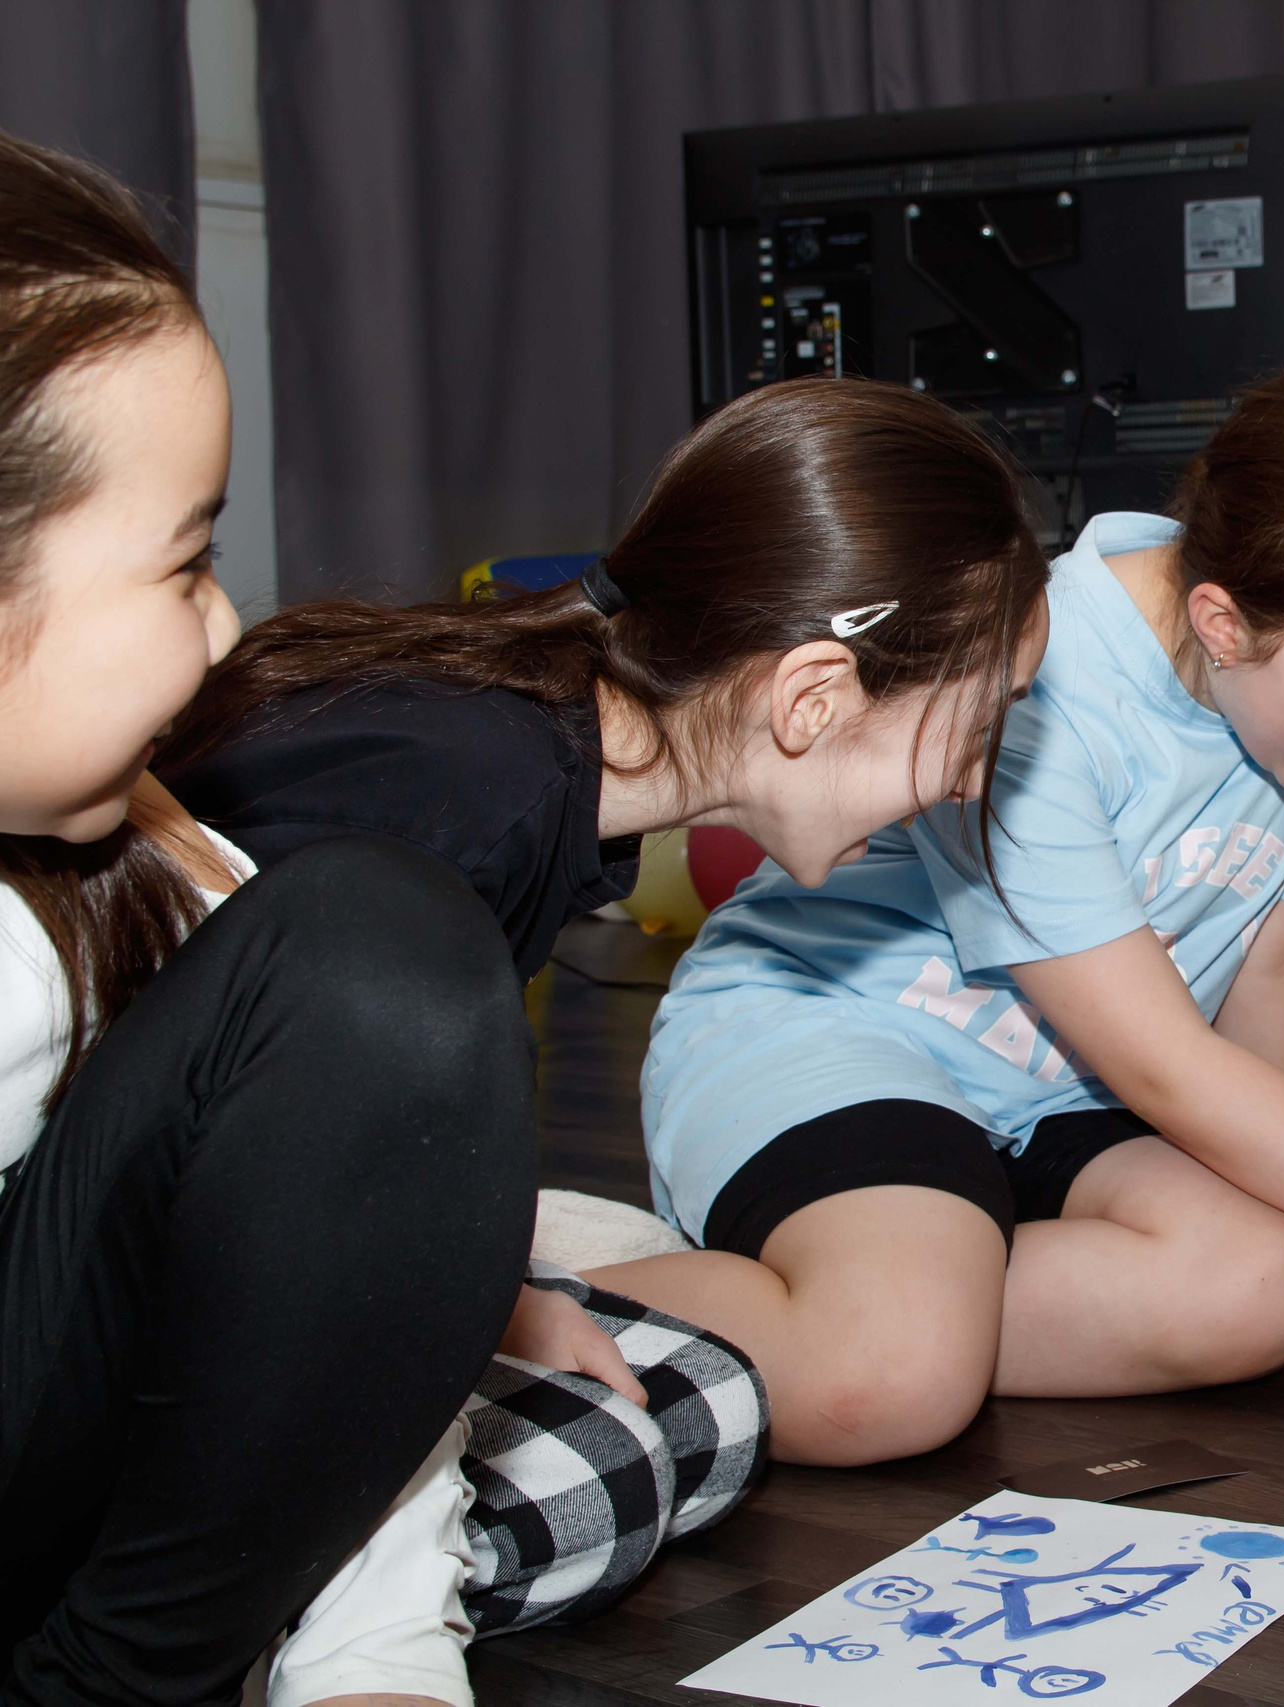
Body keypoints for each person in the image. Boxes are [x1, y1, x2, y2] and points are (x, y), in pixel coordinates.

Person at [596, 364, 1284, 1468]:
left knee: (1266, 1283)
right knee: (888, 1383)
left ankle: (890, 1286)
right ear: (1222, 623)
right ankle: (545, 1298)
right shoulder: (1030, 677)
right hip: (835, 1039)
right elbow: (1168, 1070)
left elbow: (1282, 973)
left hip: (1058, 1098)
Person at [158, 376, 1052, 1670]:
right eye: (975, 734)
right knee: (633, 1449)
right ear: (811, 697)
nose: (971, 785)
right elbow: (254, 1202)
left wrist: (495, 1293)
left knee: (701, 1388)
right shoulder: (471, 809)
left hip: (227, 1249)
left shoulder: (533, 767)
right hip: (133, 1318)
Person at [0, 130, 532, 1704]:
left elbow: (350, 1228)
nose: (229, 623)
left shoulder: (142, 848)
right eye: (187, 563)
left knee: (377, 956)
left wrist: (380, 1659)